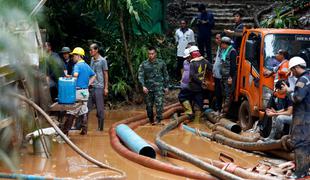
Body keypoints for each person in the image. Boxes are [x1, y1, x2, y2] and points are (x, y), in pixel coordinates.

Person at [282, 57, 310, 179]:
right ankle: (304, 169)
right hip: (307, 115)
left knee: (300, 144)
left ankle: (300, 173)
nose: (292, 73)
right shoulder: (308, 76)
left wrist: (288, 91)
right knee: (307, 144)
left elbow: (297, 98)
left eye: (292, 70)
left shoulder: (302, 80)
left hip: (303, 117)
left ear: (296, 67)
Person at [62, 47, 96, 136]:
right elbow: (94, 75)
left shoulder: (77, 66)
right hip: (85, 92)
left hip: (77, 92)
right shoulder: (86, 65)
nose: (73, 57)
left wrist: (69, 79)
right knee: (84, 110)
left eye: (74, 55)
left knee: (71, 111)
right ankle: (84, 131)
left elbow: (76, 76)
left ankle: (64, 133)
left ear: (79, 56)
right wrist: (88, 84)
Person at [138, 47, 169, 125]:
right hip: (148, 89)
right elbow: (140, 76)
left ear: (155, 54)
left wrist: (166, 86)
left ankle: (158, 120)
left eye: (152, 53)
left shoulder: (161, 63)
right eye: (149, 54)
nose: (150, 55)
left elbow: (166, 75)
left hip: (159, 88)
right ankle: (151, 119)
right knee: (149, 107)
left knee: (159, 104)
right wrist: (143, 86)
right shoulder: (144, 64)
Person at [87, 43, 109, 131]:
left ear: (96, 50)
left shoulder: (103, 60)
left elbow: (105, 74)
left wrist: (106, 87)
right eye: (89, 50)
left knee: (100, 109)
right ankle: (82, 126)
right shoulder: (92, 59)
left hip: (99, 86)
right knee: (87, 107)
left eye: (91, 50)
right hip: (91, 86)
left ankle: (100, 128)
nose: (90, 52)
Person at [188, 45, 212, 113]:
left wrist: (200, 81)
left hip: (193, 85)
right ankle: (199, 114)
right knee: (199, 100)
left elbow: (192, 75)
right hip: (202, 86)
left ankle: (193, 115)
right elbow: (211, 68)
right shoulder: (205, 61)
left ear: (192, 54)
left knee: (192, 100)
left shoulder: (192, 63)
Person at [220, 37, 237, 114]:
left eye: (222, 44)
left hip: (228, 76)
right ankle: (224, 110)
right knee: (224, 93)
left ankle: (226, 112)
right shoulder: (224, 51)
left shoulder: (232, 51)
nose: (221, 45)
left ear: (224, 44)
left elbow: (233, 66)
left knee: (228, 94)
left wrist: (231, 77)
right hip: (224, 75)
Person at [178, 48, 193, 117]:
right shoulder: (185, 62)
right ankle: (188, 111)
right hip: (184, 83)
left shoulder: (194, 63)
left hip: (190, 84)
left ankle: (189, 111)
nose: (187, 58)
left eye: (188, 57)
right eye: (186, 57)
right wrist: (182, 79)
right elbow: (184, 70)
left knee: (182, 97)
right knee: (185, 97)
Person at [212, 33, 224, 114]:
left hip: (221, 76)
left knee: (220, 93)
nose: (216, 40)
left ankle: (220, 110)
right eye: (216, 38)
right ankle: (218, 109)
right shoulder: (219, 47)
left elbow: (223, 62)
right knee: (217, 92)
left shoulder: (224, 49)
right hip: (216, 75)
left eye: (218, 38)